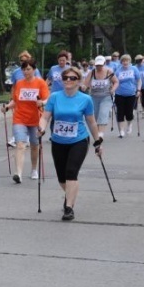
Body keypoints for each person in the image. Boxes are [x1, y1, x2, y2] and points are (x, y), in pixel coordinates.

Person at [38, 66, 104, 221]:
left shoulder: (85, 99)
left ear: (79, 81)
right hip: (58, 141)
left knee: (71, 172)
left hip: (78, 140)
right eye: (65, 77)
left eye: (72, 78)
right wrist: (41, 128)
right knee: (62, 178)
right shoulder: (54, 97)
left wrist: (97, 142)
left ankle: (69, 208)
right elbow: (45, 117)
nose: (68, 80)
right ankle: (70, 194)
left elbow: (91, 122)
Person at [2, 58, 49, 183]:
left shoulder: (40, 83)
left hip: (35, 119)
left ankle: (34, 169)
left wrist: (42, 102)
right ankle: (18, 173)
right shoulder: (19, 83)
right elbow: (15, 101)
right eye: (24, 69)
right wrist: (7, 107)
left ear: (34, 70)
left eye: (28, 69)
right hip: (20, 118)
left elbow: (47, 100)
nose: (26, 72)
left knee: (34, 145)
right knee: (20, 144)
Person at [83, 55, 117, 133]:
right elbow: (86, 83)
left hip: (106, 96)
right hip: (94, 96)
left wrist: (113, 89)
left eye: (100, 65)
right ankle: (97, 132)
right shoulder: (92, 72)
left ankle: (100, 134)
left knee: (103, 113)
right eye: (97, 65)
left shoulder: (109, 71)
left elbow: (116, 82)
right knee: (95, 115)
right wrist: (84, 87)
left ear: (104, 64)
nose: (99, 67)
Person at [113, 54, 140, 137]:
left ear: (129, 61)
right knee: (120, 112)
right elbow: (114, 81)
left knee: (129, 113)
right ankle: (121, 131)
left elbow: (139, 80)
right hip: (119, 94)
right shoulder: (118, 71)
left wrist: (138, 90)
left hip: (131, 94)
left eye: (127, 60)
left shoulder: (134, 69)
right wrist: (113, 90)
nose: (125, 62)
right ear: (121, 62)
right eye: (123, 61)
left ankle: (129, 124)